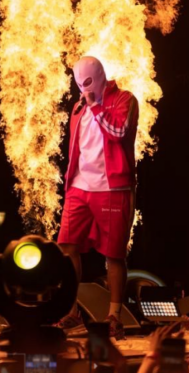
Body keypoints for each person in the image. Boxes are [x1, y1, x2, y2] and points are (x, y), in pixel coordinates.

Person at [56, 56, 139, 339]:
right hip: (80, 187)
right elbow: (77, 146)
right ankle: (70, 313)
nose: (84, 88)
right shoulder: (78, 107)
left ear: (102, 76)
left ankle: (114, 317)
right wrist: (70, 180)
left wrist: (95, 106)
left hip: (112, 188)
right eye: (80, 84)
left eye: (89, 81)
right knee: (66, 246)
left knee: (114, 254)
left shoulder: (125, 99)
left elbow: (119, 132)